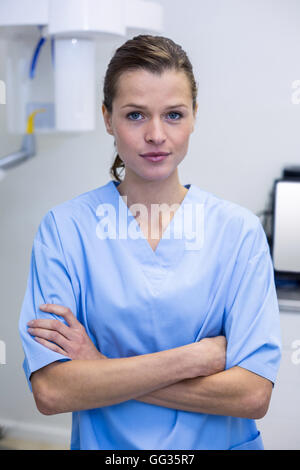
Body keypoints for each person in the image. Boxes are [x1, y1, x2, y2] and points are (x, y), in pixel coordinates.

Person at [18, 35, 281, 450]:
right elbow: (52, 391)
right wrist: (191, 359)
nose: (156, 135)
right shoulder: (65, 230)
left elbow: (251, 395)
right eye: (136, 115)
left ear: (195, 115)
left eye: (173, 115)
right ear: (108, 119)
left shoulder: (239, 234)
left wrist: (101, 369)